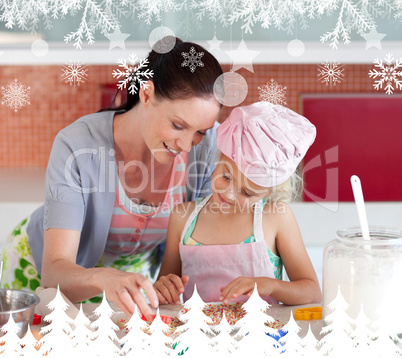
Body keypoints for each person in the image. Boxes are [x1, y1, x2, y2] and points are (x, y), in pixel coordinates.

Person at [1, 37, 223, 319]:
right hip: (43, 273)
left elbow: (192, 244)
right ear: (146, 95)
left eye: (200, 131)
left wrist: (170, 280)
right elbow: (55, 270)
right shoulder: (77, 146)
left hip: (130, 280)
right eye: (178, 125)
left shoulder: (206, 147)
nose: (186, 144)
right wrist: (104, 278)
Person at [154, 102, 322, 305]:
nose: (229, 194)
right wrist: (163, 289)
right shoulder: (182, 218)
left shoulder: (276, 217)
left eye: (247, 192)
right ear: (218, 158)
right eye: (225, 176)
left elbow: (312, 292)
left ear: (270, 191)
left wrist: (271, 286)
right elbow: (164, 290)